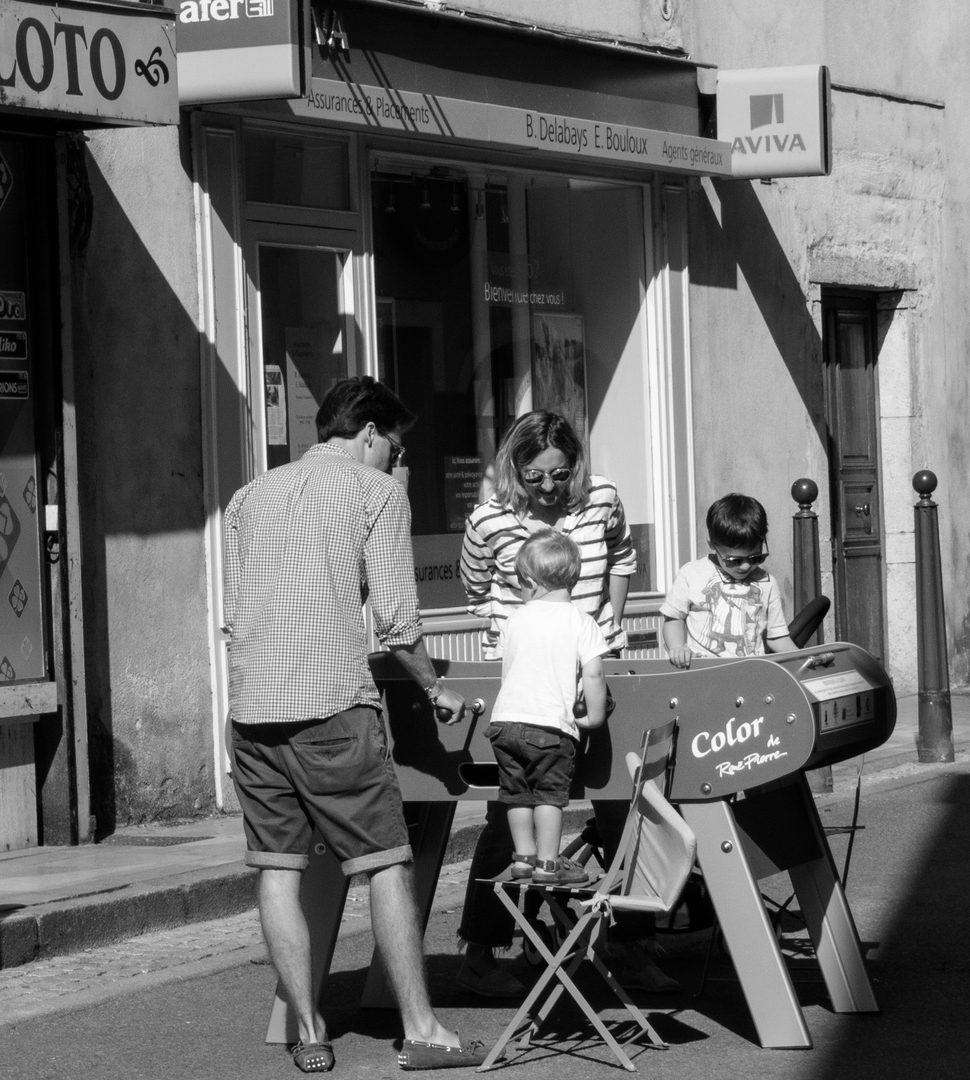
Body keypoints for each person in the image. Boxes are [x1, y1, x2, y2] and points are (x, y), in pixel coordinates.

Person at [223, 375, 487, 1073]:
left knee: (279, 870)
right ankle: (422, 1029)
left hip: (251, 709)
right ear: (369, 434)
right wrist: (434, 688)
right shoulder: (377, 493)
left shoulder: (249, 495)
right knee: (386, 864)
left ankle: (308, 1029)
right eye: (395, 449)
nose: (397, 463)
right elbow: (399, 622)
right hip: (333, 707)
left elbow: (237, 610)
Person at [457, 410, 678, 997]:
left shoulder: (602, 497)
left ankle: (632, 945)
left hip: (594, 665)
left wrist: (605, 626)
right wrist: (522, 633)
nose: (551, 487)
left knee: (620, 807)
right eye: (536, 476)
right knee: (511, 814)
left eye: (560, 473)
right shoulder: (489, 520)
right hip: (528, 685)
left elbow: (624, 558)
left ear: (576, 464)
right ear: (513, 468)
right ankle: (481, 952)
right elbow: (476, 589)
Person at [487, 530, 608, 886]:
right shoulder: (581, 621)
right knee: (549, 798)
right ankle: (548, 864)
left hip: (504, 723)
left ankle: (523, 858)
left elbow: (509, 668)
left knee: (516, 794)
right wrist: (594, 716)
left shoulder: (515, 619)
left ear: (530, 582)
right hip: (549, 728)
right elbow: (594, 672)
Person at [662, 493, 797, 666]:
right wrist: (677, 647)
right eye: (735, 561)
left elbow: (777, 637)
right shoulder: (691, 573)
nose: (746, 566)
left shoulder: (767, 582)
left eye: (755, 558)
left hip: (751, 671)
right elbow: (674, 617)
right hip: (704, 670)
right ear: (711, 544)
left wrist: (803, 659)